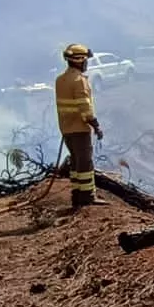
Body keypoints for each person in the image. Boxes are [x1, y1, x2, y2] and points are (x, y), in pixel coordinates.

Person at [54, 43, 105, 209]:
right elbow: (85, 108)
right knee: (85, 163)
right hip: (79, 128)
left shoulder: (60, 80)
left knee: (75, 162)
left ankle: (76, 194)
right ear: (79, 60)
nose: (86, 64)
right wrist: (96, 125)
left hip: (66, 128)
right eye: (85, 60)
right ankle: (87, 197)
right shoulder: (79, 81)